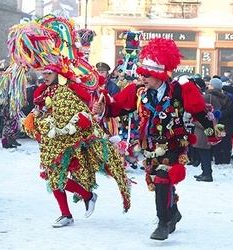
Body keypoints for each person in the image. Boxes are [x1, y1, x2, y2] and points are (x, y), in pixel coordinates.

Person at [6, 13, 131, 228]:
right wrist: (36, 120)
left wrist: (67, 125)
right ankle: (78, 203)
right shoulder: (44, 92)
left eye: (48, 72)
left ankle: (75, 206)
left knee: (55, 176)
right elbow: (42, 114)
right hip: (48, 142)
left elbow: (79, 116)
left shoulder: (66, 92)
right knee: (52, 177)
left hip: (64, 141)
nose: (44, 76)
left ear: (57, 73)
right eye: (42, 73)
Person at [92, 37, 222, 241]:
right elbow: (119, 108)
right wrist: (104, 108)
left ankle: (162, 222)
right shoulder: (137, 92)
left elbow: (197, 111)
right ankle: (174, 213)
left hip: (174, 144)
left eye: (147, 75)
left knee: (163, 178)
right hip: (150, 145)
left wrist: (211, 131)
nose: (143, 78)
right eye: (142, 74)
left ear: (159, 75)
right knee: (158, 182)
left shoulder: (179, 90)